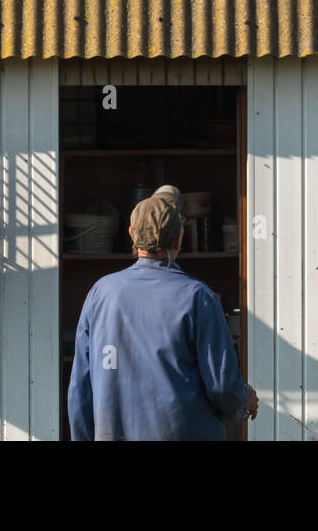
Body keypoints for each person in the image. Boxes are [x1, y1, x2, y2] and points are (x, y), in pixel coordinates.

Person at [68, 184, 258, 440]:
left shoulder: (100, 293)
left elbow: (80, 390)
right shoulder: (198, 297)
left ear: (131, 234)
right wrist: (244, 399)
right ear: (180, 237)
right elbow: (222, 386)